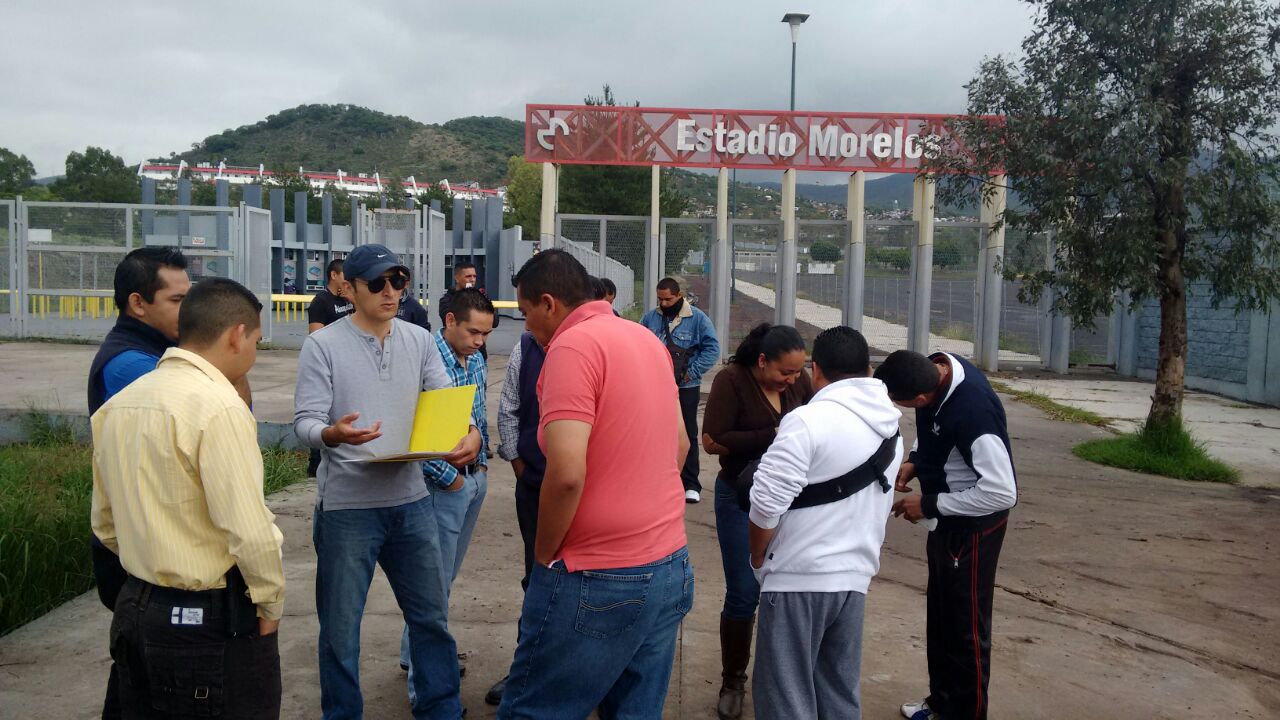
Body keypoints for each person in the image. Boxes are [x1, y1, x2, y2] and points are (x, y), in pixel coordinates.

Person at [497, 250, 694, 719]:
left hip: (599, 575)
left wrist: (545, 556)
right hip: (669, 562)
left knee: (534, 709)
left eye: (525, 314)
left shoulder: (571, 347)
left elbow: (565, 474)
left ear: (548, 303)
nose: (526, 329)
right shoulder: (645, 339)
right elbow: (681, 445)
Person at [294, 243, 483, 719]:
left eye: (397, 282)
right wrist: (331, 435)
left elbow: (445, 397)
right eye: (376, 283)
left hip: (411, 500)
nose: (389, 291)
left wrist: (471, 432)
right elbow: (305, 423)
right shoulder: (323, 345)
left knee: (431, 619)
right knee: (340, 630)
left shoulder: (417, 339)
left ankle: (441, 709)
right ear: (348, 287)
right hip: (347, 509)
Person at [92, 277, 285, 719]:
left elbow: (105, 524)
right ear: (237, 334)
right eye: (256, 340)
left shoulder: (120, 405)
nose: (254, 352)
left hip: (135, 608)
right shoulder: (218, 407)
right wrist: (269, 606)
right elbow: (250, 532)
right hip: (204, 622)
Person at [747, 327, 903, 720]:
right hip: (853, 580)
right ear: (868, 370)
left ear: (815, 371)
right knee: (837, 695)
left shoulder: (806, 421)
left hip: (798, 578)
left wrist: (757, 558)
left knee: (785, 698)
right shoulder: (891, 428)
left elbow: (765, 504)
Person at [874, 350, 1018, 720]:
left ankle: (965, 713)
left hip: (973, 530)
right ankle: (941, 703)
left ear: (920, 398)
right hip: (947, 523)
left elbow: (1002, 492)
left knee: (965, 629)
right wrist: (915, 462)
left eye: (901, 403)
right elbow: (933, 431)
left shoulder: (973, 412)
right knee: (940, 618)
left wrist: (931, 504)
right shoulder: (938, 367)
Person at [699, 323, 812, 720]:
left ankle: (781, 677)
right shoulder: (732, 379)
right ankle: (734, 680)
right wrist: (775, 433)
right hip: (740, 497)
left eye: (798, 372)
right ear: (762, 361)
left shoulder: (800, 383)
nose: (793, 380)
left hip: (792, 499)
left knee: (785, 590)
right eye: (785, 373)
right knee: (745, 591)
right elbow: (712, 440)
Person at [400, 288, 496, 695]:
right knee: (431, 585)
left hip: (472, 481)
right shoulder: (426, 360)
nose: (480, 341)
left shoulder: (474, 360)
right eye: (474, 332)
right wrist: (450, 479)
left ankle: (415, 655)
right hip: (442, 487)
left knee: (444, 579)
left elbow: (477, 413)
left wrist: (483, 463)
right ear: (450, 320)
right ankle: (425, 683)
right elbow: (410, 429)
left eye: (486, 334)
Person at [486, 325, 547, 706]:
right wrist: (520, 465)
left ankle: (591, 676)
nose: (524, 322)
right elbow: (508, 408)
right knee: (537, 578)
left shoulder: (605, 346)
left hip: (593, 493)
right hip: (536, 488)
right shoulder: (526, 349)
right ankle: (527, 671)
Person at [640, 277, 721, 503]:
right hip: (656, 385)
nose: (664, 304)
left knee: (687, 433)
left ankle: (691, 483)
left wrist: (691, 372)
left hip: (686, 387)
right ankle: (659, 479)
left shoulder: (697, 319)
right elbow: (640, 342)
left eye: (668, 299)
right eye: (660, 299)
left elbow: (712, 348)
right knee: (654, 432)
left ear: (678, 296)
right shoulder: (650, 318)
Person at [438, 260, 496, 358]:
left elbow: (495, 321)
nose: (472, 280)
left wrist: (475, 296)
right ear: (457, 278)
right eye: (468, 276)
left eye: (474, 276)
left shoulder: (480, 297)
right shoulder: (447, 300)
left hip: (478, 354)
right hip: (455, 352)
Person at [307, 258, 354, 333]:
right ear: (334, 275)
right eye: (346, 275)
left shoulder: (350, 297)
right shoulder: (320, 301)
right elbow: (315, 335)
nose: (349, 279)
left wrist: (353, 300)